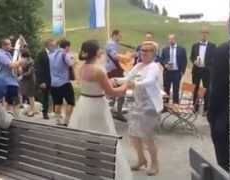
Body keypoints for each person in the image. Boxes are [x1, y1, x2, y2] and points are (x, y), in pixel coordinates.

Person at [68, 40, 132, 179]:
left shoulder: (82, 68)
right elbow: (111, 93)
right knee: (103, 136)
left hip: (83, 104)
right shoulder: (98, 69)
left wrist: (111, 82)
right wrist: (126, 85)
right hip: (97, 106)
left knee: (85, 137)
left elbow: (95, 85)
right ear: (97, 52)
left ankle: (87, 167)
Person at [116, 41, 163, 176]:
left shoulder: (154, 67)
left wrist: (134, 84)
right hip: (137, 104)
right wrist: (114, 80)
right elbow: (127, 78)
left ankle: (154, 163)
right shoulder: (138, 65)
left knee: (148, 137)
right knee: (133, 135)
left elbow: (149, 81)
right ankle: (141, 159)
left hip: (150, 106)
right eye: (142, 50)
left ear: (153, 53)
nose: (143, 52)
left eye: (147, 50)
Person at [207, 37, 230, 172]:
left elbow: (217, 88)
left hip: (224, 117)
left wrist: (212, 116)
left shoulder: (223, 50)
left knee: (225, 167)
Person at [190, 27, 216, 115]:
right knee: (195, 89)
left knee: (206, 89)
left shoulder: (212, 46)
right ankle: (195, 107)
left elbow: (214, 58)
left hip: (207, 71)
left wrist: (205, 63)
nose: (204, 34)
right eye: (202, 33)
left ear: (208, 35)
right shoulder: (195, 45)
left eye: (206, 33)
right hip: (196, 70)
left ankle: (206, 109)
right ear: (199, 34)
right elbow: (191, 57)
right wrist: (194, 61)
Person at [49, 39, 75, 126]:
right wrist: (73, 59)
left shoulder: (50, 55)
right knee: (71, 102)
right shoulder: (65, 54)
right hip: (64, 82)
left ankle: (57, 120)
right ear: (67, 47)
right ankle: (66, 121)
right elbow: (71, 64)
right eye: (69, 47)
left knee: (57, 103)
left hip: (53, 83)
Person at [0, 38, 23, 112]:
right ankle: (7, 117)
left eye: (10, 44)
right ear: (3, 45)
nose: (11, 46)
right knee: (9, 103)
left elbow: (16, 67)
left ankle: (11, 117)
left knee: (14, 103)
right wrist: (21, 60)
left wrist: (19, 61)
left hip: (13, 81)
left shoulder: (8, 54)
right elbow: (11, 65)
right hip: (6, 82)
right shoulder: (0, 55)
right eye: (9, 44)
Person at [105, 29, 126, 121]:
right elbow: (115, 56)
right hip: (114, 69)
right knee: (120, 89)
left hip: (113, 69)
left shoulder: (111, 43)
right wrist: (127, 57)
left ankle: (112, 111)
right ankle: (117, 113)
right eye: (119, 36)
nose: (120, 38)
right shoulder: (111, 44)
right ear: (115, 35)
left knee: (113, 90)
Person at [160, 34, 187, 104]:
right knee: (166, 89)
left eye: (172, 39)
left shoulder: (181, 49)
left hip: (177, 72)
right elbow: (161, 59)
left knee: (176, 90)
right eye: (169, 39)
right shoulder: (165, 49)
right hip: (167, 72)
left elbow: (184, 61)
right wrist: (165, 65)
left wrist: (182, 72)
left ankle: (175, 105)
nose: (170, 40)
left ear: (175, 39)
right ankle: (165, 105)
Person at [35, 39, 56, 119]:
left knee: (56, 95)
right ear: (48, 46)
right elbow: (38, 69)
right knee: (45, 96)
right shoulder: (41, 54)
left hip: (55, 79)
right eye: (53, 45)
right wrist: (41, 81)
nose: (54, 47)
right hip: (45, 79)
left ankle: (56, 112)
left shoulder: (55, 54)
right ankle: (45, 113)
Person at [18, 48, 36, 117]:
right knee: (26, 94)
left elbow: (29, 72)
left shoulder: (30, 61)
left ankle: (33, 110)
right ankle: (29, 109)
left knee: (30, 95)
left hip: (30, 80)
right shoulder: (25, 60)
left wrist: (22, 76)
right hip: (25, 80)